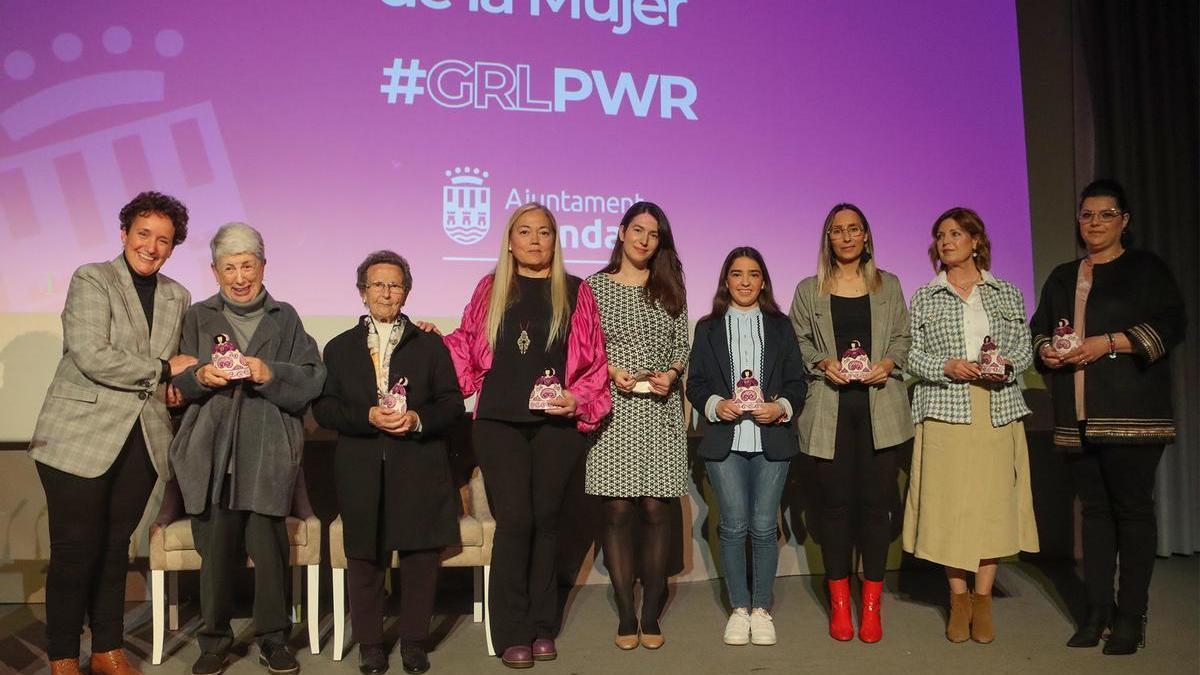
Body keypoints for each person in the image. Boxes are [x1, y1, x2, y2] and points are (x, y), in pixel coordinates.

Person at [29, 191, 195, 675]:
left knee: (115, 548)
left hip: (142, 439)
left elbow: (174, 374)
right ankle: (62, 654)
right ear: (124, 233)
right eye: (143, 234)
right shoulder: (92, 279)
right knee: (74, 550)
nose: (152, 246)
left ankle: (107, 649)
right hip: (77, 436)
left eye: (164, 239)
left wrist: (177, 387)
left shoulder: (178, 296)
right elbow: (90, 353)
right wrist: (163, 368)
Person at [442, 203, 611, 669]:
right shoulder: (491, 287)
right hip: (499, 423)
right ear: (510, 240)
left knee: (547, 520)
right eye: (525, 232)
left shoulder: (576, 290)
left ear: (555, 241)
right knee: (516, 522)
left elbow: (594, 361)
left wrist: (579, 399)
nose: (535, 241)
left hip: (557, 427)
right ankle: (511, 630)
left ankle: (542, 627)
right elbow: (467, 346)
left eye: (544, 233)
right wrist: (427, 345)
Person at [1030, 179, 1185, 655]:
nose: (1094, 223)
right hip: (1076, 415)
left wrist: (1110, 342)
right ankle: (1096, 611)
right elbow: (1039, 330)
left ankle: (1130, 615)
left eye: (1104, 214)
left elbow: (1172, 323)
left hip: (1131, 413)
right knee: (1094, 515)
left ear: (1124, 221)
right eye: (1086, 215)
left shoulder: (1145, 269)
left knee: (1132, 512)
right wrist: (1047, 354)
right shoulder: (1061, 275)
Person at [169, 223, 325, 675]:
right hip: (212, 453)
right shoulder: (199, 316)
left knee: (270, 551)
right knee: (215, 552)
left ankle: (274, 639)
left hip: (267, 451)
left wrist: (267, 372)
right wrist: (198, 377)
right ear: (215, 271)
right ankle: (213, 641)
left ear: (263, 265)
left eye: (248, 265)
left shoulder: (285, 316)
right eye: (230, 267)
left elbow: (314, 377)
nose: (240, 277)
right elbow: (174, 379)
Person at [313, 251, 464, 675]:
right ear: (362, 293)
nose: (386, 292)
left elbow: (452, 404)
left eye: (394, 284)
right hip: (360, 466)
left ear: (407, 292)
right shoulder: (339, 348)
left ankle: (415, 642)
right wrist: (366, 416)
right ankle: (371, 645)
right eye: (377, 284)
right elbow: (324, 409)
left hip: (418, 464)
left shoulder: (431, 344)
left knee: (419, 558)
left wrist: (417, 419)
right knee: (364, 559)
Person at [902, 207, 1039, 645]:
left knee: (992, 504)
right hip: (946, 410)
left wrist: (1007, 365)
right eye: (940, 234)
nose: (946, 241)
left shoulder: (1006, 293)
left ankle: (983, 600)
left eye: (956, 233)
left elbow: (1023, 347)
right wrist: (947, 366)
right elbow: (911, 355)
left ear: (976, 241)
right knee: (950, 507)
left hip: (996, 408)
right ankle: (958, 597)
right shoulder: (926, 295)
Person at [789, 203, 912, 643]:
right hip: (829, 410)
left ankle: (872, 608)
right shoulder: (810, 289)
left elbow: (903, 335)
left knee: (877, 510)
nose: (846, 236)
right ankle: (841, 606)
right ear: (828, 239)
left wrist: (889, 362)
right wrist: (823, 361)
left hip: (881, 409)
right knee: (835, 510)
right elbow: (797, 342)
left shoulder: (889, 285)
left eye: (853, 229)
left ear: (865, 236)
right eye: (837, 230)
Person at [685, 247, 807, 648]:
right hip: (727, 441)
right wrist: (715, 405)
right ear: (726, 280)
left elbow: (796, 382)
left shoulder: (780, 326)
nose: (745, 281)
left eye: (753, 274)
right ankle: (739, 608)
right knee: (733, 526)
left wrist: (782, 407)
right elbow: (696, 384)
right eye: (737, 274)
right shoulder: (707, 327)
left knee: (763, 527)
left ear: (763, 281)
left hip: (771, 441)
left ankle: (762, 610)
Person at [584, 202, 689, 650]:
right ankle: (626, 610)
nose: (644, 240)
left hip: (660, 409)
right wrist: (609, 371)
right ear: (622, 231)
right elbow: (584, 346)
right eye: (638, 230)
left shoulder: (669, 286)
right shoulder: (594, 287)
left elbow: (681, 342)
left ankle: (652, 612)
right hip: (614, 410)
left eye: (654, 234)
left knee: (653, 507)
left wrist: (672, 372)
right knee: (617, 510)